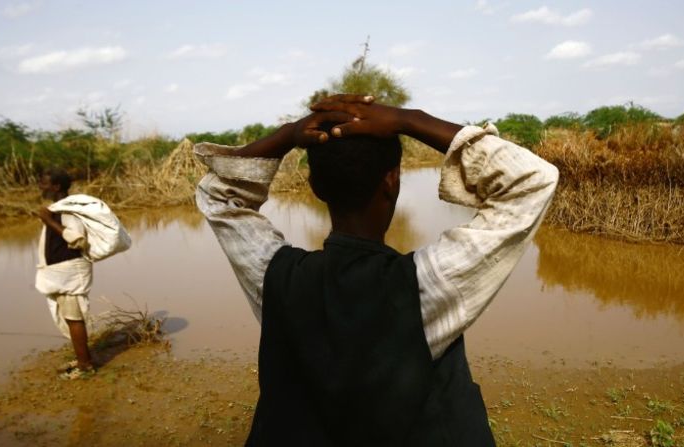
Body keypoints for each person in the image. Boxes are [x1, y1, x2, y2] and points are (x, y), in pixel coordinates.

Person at [195, 94, 559, 446]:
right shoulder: (428, 286)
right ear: (392, 180)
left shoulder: (275, 277)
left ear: (314, 187)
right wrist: (410, 119)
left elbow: (219, 195)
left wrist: (290, 134)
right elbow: (531, 180)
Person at [35, 168, 95, 379]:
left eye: (43, 183)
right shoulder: (58, 208)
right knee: (70, 318)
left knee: (74, 317)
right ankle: (81, 359)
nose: (40, 187)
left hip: (70, 272)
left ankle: (85, 366)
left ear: (56, 187)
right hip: (62, 272)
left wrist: (48, 220)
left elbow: (78, 239)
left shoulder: (68, 210)